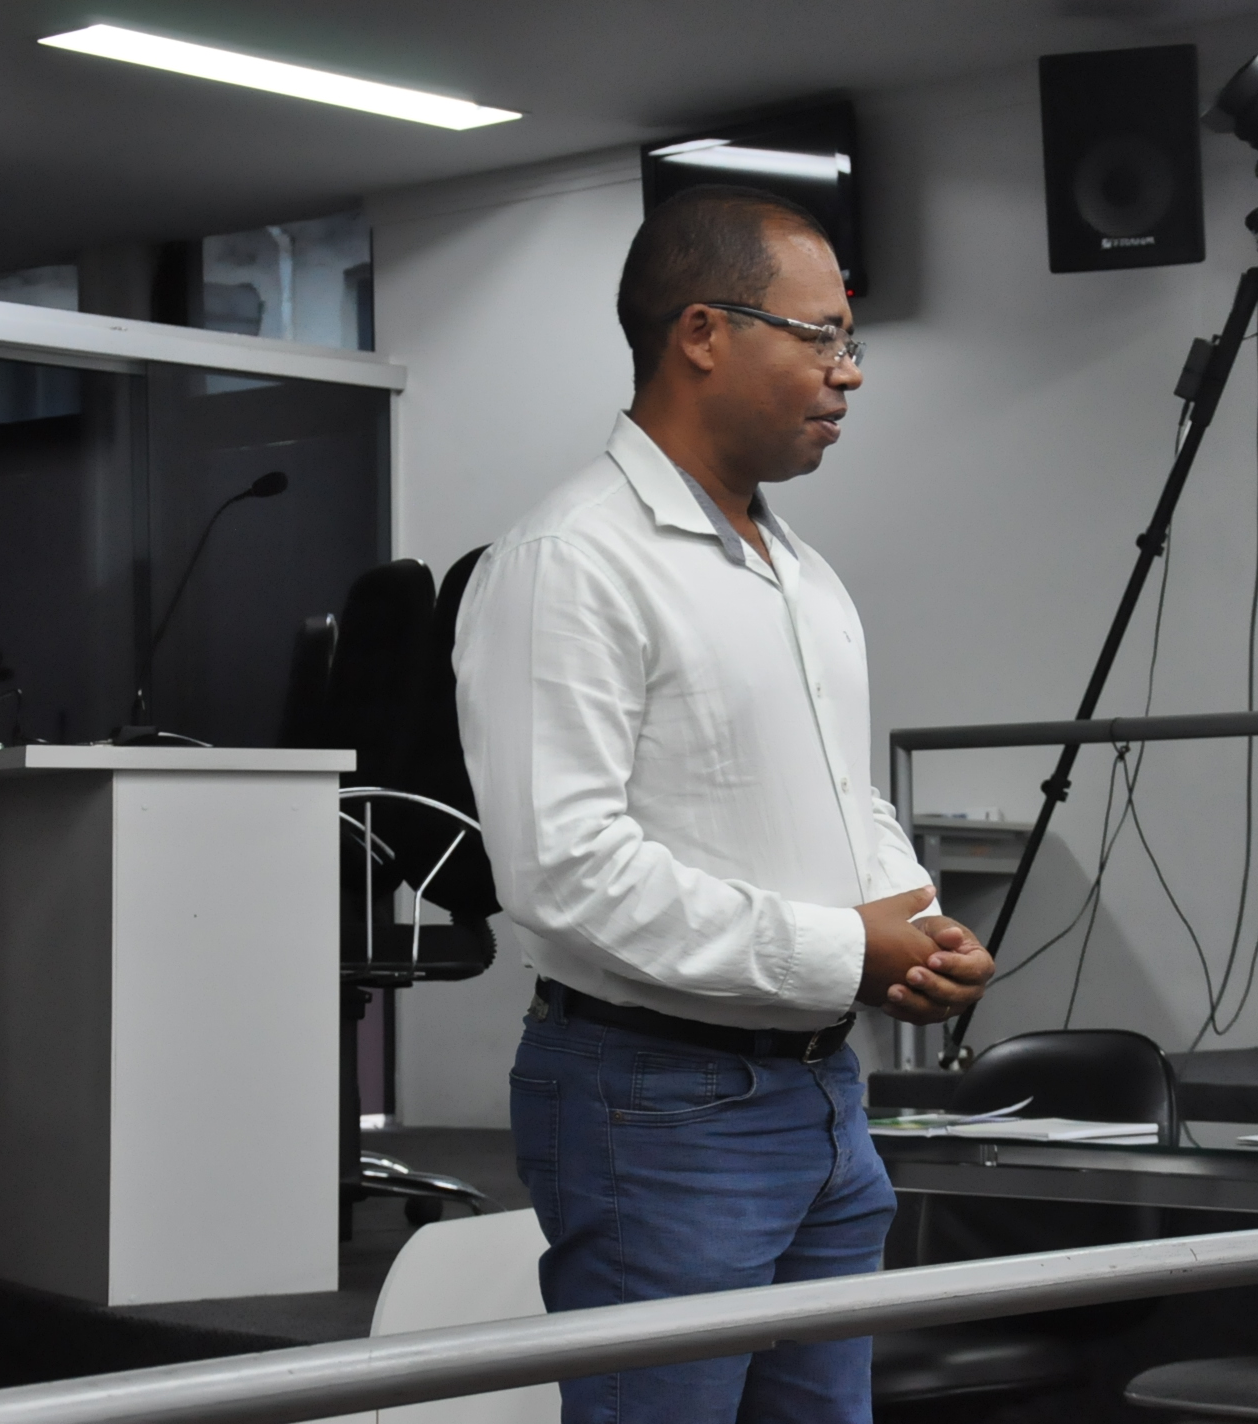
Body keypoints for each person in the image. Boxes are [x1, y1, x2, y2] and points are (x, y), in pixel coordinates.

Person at [454, 184, 994, 1424]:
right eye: (820, 337)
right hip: (658, 1101)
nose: (847, 373)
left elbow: (836, 785)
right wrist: (841, 948)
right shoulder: (569, 561)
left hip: (819, 1094)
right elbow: (564, 869)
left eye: (847, 343)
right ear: (701, 332)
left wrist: (911, 917)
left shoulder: (797, 570)